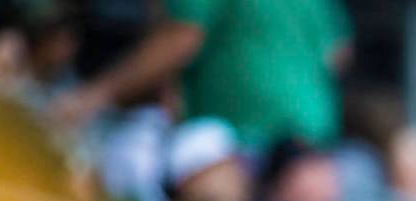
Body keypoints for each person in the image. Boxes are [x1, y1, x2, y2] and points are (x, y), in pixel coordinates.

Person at [51, 0, 352, 150]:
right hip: (315, 142)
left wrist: (92, 97)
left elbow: (181, 38)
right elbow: (337, 54)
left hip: (242, 141)